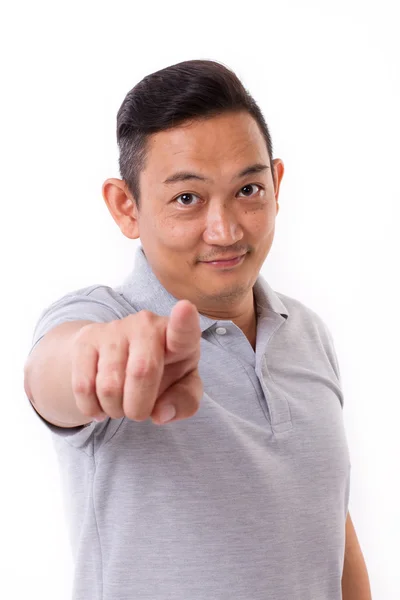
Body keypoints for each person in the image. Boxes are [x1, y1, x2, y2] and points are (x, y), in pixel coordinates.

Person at [24, 59, 371, 600]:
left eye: (248, 190)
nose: (226, 229)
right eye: (187, 198)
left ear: (276, 185)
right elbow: (54, 372)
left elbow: (328, 522)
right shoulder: (106, 320)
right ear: (126, 207)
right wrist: (96, 361)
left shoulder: (308, 333)